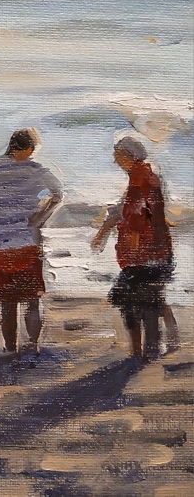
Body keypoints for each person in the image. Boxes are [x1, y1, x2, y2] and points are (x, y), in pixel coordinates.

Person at [0, 128, 62, 357]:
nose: (32, 155)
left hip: (0, 247)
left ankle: (10, 349)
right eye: (32, 150)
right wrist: (40, 217)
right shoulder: (35, 170)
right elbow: (58, 193)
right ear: (26, 149)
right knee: (32, 300)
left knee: (7, 303)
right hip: (27, 243)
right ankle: (32, 346)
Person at [91, 136, 176, 359]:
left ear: (130, 156)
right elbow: (127, 209)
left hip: (144, 253)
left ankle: (143, 351)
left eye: (118, 156)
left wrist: (120, 238)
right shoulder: (144, 176)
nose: (116, 161)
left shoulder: (141, 178)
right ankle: (151, 347)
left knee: (134, 302)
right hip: (154, 252)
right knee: (147, 300)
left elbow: (136, 213)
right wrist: (105, 230)